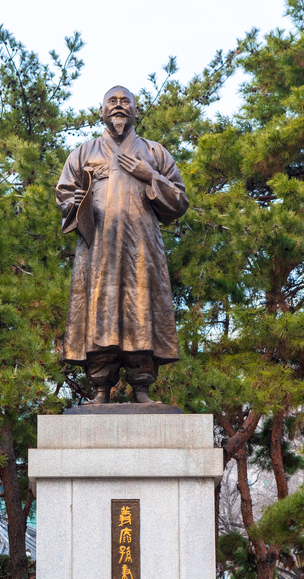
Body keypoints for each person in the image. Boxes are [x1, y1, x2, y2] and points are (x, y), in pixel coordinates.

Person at [56, 85, 188, 404]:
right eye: (111, 102)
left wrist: (149, 176)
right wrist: (72, 202)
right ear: (101, 111)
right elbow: (64, 193)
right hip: (98, 247)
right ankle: (100, 387)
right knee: (99, 310)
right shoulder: (84, 152)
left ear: (135, 111)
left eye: (125, 101)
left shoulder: (155, 153)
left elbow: (180, 200)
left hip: (142, 248)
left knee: (141, 311)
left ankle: (142, 387)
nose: (118, 106)